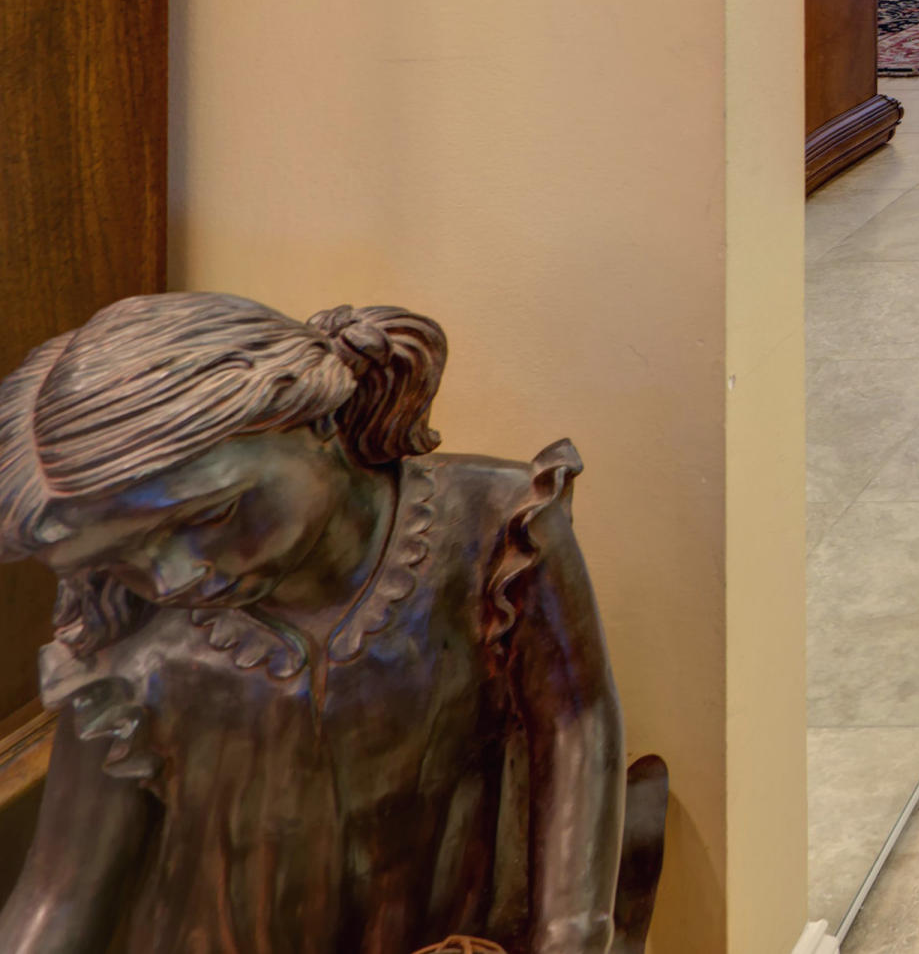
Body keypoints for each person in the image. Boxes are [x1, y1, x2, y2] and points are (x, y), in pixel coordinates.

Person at [0, 295, 629, 954]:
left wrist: (571, 933)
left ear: (315, 418)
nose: (171, 580)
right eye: (119, 559)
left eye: (209, 516)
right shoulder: (127, 634)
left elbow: (576, 725)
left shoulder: (498, 529)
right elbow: (59, 894)